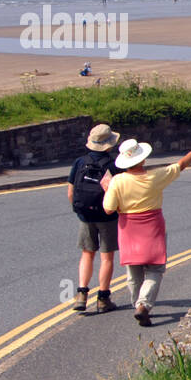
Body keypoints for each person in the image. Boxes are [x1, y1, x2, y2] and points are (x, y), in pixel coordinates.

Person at [103, 139, 191, 326]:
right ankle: (144, 304)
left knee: (133, 270)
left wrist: (108, 189)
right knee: (155, 268)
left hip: (128, 228)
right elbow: (180, 165)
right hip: (152, 226)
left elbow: (109, 209)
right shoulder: (155, 176)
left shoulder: (117, 181)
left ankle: (137, 303)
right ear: (142, 160)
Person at [67, 124, 122, 314]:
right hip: (107, 216)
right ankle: (103, 299)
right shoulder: (113, 165)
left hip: (86, 215)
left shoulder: (80, 162)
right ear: (109, 144)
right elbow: (118, 193)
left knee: (87, 254)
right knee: (107, 257)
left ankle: (81, 294)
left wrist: (80, 211)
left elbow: (71, 191)